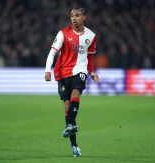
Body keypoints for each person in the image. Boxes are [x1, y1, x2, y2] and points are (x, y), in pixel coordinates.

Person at [44, 6, 99, 157]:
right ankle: (74, 146)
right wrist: (47, 70)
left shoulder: (91, 36)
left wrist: (92, 71)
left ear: (84, 17)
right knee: (68, 107)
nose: (74, 18)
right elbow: (52, 53)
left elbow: (90, 56)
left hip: (80, 70)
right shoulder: (63, 33)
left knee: (76, 92)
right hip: (62, 72)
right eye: (72, 16)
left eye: (77, 15)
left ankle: (70, 125)